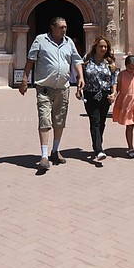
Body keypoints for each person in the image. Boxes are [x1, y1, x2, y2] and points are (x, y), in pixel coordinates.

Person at [20, 16, 84, 171]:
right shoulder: (40, 40)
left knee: (59, 120)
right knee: (44, 120)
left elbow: (76, 60)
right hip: (44, 88)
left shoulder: (69, 42)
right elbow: (30, 60)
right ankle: (44, 156)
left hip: (63, 88)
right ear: (52, 27)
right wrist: (24, 79)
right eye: (61, 27)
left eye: (65, 27)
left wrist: (81, 76)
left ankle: (55, 150)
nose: (64, 30)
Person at [76, 36, 117, 162]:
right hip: (90, 94)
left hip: (105, 95)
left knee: (102, 122)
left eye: (105, 47)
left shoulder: (110, 62)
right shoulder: (87, 60)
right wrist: (79, 89)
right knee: (95, 121)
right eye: (101, 46)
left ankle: (97, 146)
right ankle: (99, 150)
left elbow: (114, 79)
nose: (103, 49)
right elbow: (80, 75)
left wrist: (114, 93)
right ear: (95, 47)